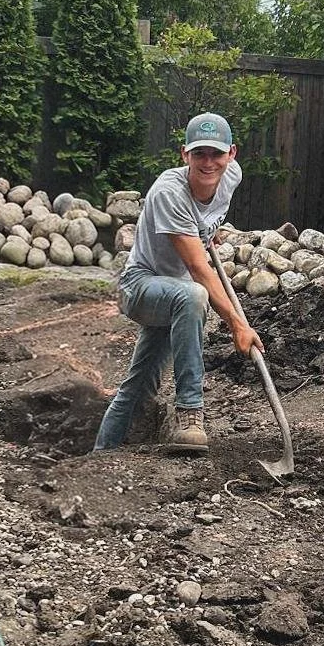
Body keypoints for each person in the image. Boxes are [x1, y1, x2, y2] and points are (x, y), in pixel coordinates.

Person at [94, 112, 264, 454]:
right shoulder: (168, 193)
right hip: (141, 285)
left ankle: (99, 455)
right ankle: (190, 409)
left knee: (139, 386)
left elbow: (206, 224)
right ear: (184, 154)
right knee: (194, 293)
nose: (208, 162)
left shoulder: (231, 176)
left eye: (216, 153)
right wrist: (237, 325)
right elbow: (200, 271)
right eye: (199, 153)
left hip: (178, 294)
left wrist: (206, 234)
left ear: (232, 154)